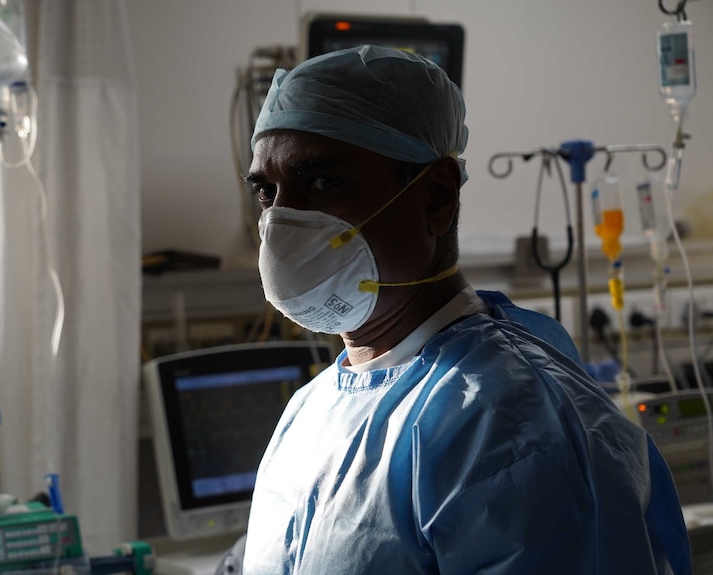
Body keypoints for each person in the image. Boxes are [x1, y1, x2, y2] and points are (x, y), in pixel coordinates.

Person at [238, 45, 691, 575]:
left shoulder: (514, 433)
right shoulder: (311, 413)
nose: (284, 223)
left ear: (437, 197)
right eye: (267, 191)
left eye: (324, 182)